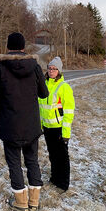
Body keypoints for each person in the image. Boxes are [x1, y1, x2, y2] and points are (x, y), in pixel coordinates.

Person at [0, 32, 49, 211]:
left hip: (9, 125)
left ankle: (21, 203)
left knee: (14, 162)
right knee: (32, 161)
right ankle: (34, 201)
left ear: (8, 46)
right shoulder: (35, 66)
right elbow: (44, 93)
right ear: (23, 47)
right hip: (31, 125)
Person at [39, 57, 75, 192]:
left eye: (54, 69)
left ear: (59, 71)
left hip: (59, 129)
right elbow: (41, 108)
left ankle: (63, 184)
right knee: (52, 155)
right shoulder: (43, 84)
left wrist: (66, 133)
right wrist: (40, 126)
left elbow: (69, 112)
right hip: (47, 128)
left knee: (62, 158)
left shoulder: (64, 87)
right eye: (49, 68)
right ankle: (54, 179)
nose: (51, 71)